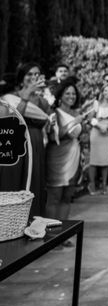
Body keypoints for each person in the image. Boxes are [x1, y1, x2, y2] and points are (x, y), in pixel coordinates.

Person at [0, 63, 52, 217]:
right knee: (14, 183)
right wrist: (24, 98)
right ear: (21, 78)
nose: (34, 77)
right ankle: (9, 221)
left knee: (34, 183)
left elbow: (49, 124)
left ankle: (31, 221)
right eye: (29, 74)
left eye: (37, 74)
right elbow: (11, 120)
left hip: (35, 147)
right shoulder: (10, 97)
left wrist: (52, 125)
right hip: (16, 146)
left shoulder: (43, 102)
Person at [45, 80, 88, 227]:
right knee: (54, 197)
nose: (71, 96)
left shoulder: (77, 113)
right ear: (60, 96)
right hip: (57, 158)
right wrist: (73, 122)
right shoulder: (54, 113)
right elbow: (53, 136)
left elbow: (80, 135)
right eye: (67, 93)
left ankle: (63, 233)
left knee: (67, 197)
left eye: (74, 93)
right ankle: (51, 234)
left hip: (73, 157)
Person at [88, 84, 108, 195]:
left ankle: (104, 185)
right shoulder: (97, 103)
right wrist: (99, 126)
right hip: (97, 132)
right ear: (102, 91)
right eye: (105, 90)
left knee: (105, 161)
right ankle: (92, 185)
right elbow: (90, 118)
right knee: (94, 160)